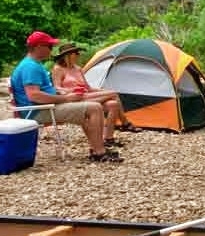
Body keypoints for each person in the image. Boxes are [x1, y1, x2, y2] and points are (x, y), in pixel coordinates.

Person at [10, 31, 122, 162]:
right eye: (49, 46)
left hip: (43, 107)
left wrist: (61, 93)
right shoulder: (30, 66)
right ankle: (99, 152)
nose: (51, 50)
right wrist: (66, 98)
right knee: (94, 108)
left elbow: (42, 91)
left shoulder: (33, 64)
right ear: (39, 47)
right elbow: (34, 96)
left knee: (91, 108)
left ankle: (96, 147)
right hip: (37, 111)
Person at [50, 43, 141, 133]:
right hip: (73, 98)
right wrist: (71, 90)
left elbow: (88, 88)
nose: (79, 55)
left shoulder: (78, 68)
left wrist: (103, 91)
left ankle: (108, 138)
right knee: (113, 93)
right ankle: (125, 123)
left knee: (113, 104)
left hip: (86, 95)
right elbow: (57, 88)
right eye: (76, 53)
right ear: (68, 55)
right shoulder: (58, 69)